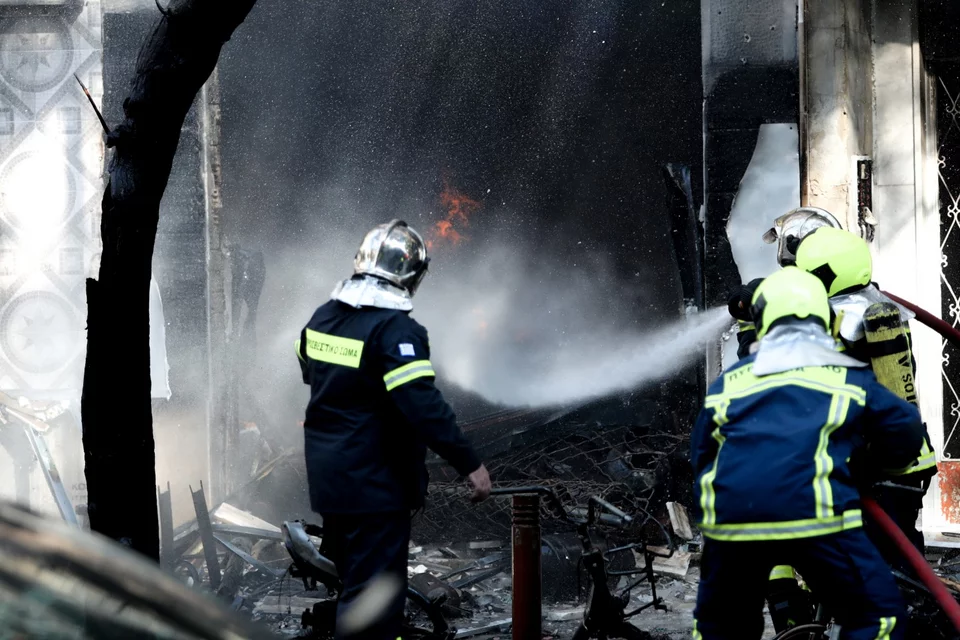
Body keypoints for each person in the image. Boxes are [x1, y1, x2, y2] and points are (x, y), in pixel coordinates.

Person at [692, 267, 924, 640]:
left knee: (721, 627)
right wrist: (882, 465)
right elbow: (904, 427)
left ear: (762, 322)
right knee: (877, 619)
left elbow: (702, 455)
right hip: (815, 515)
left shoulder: (727, 385)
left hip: (731, 524)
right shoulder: (843, 376)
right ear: (824, 320)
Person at [296, 220, 492, 640]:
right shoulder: (396, 330)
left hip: (331, 483)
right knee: (375, 605)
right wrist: (470, 463)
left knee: (355, 586)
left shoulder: (323, 318)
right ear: (412, 276)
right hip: (375, 487)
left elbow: (309, 370)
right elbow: (422, 406)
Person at [795, 226, 937, 567]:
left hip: (888, 465)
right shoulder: (866, 307)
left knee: (890, 562)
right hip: (886, 460)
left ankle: (916, 615)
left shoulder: (854, 318)